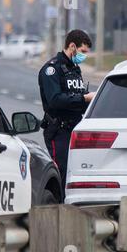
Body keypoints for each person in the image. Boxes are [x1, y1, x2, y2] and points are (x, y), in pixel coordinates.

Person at [38, 30, 96, 202]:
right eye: (83, 52)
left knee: (75, 174)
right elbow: (55, 100)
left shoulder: (74, 69)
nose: (84, 56)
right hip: (59, 131)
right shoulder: (52, 69)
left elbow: (76, 95)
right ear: (72, 46)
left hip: (75, 129)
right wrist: (83, 98)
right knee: (61, 173)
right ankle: (58, 211)